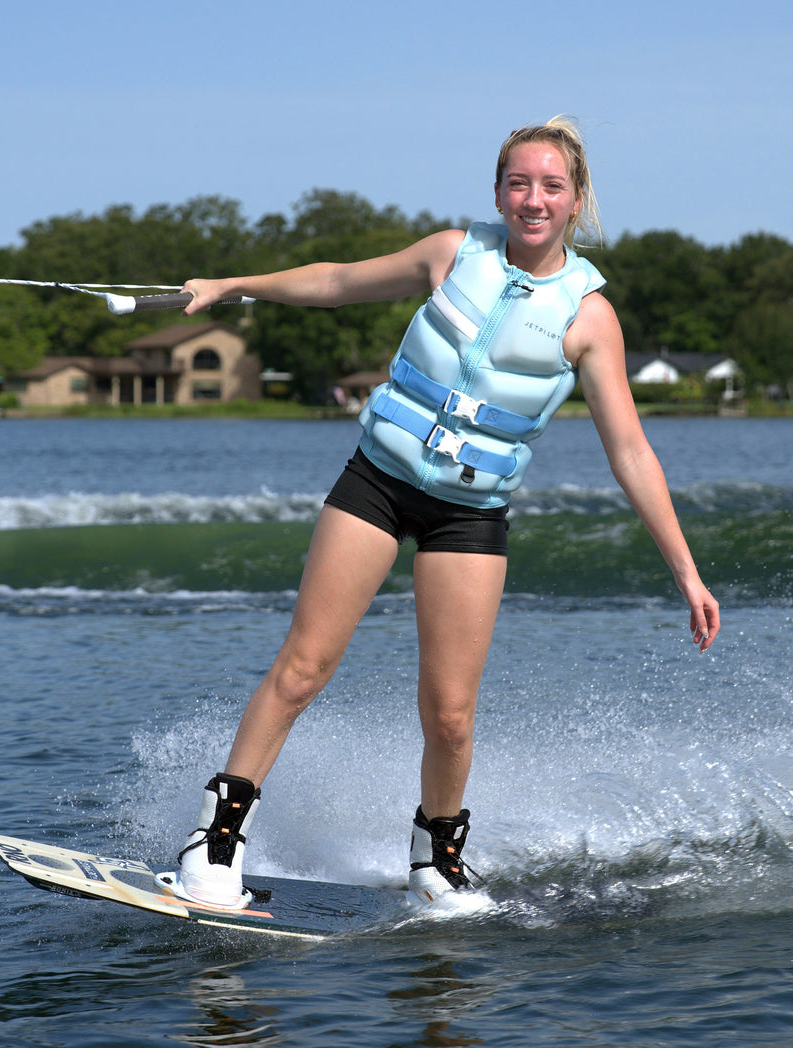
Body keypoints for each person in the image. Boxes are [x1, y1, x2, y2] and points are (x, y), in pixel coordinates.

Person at [166, 117, 720, 913]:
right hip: (379, 483)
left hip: (471, 514)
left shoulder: (588, 317)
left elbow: (630, 452)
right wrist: (232, 286)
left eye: (551, 186)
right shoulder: (451, 253)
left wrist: (688, 574)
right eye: (518, 183)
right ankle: (215, 842)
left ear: (576, 201)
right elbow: (333, 281)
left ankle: (437, 858)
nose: (533, 199)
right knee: (304, 668)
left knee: (451, 716)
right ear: (498, 191)